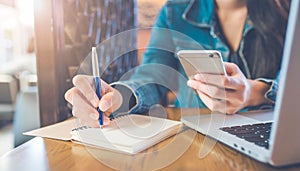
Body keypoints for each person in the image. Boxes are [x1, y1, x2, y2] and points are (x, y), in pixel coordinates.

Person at [65, 0, 290, 128]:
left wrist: (256, 92)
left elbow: (293, 82)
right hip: (198, 142)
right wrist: (118, 96)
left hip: (273, 137)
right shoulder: (175, 13)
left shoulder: (289, 12)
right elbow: (153, 76)